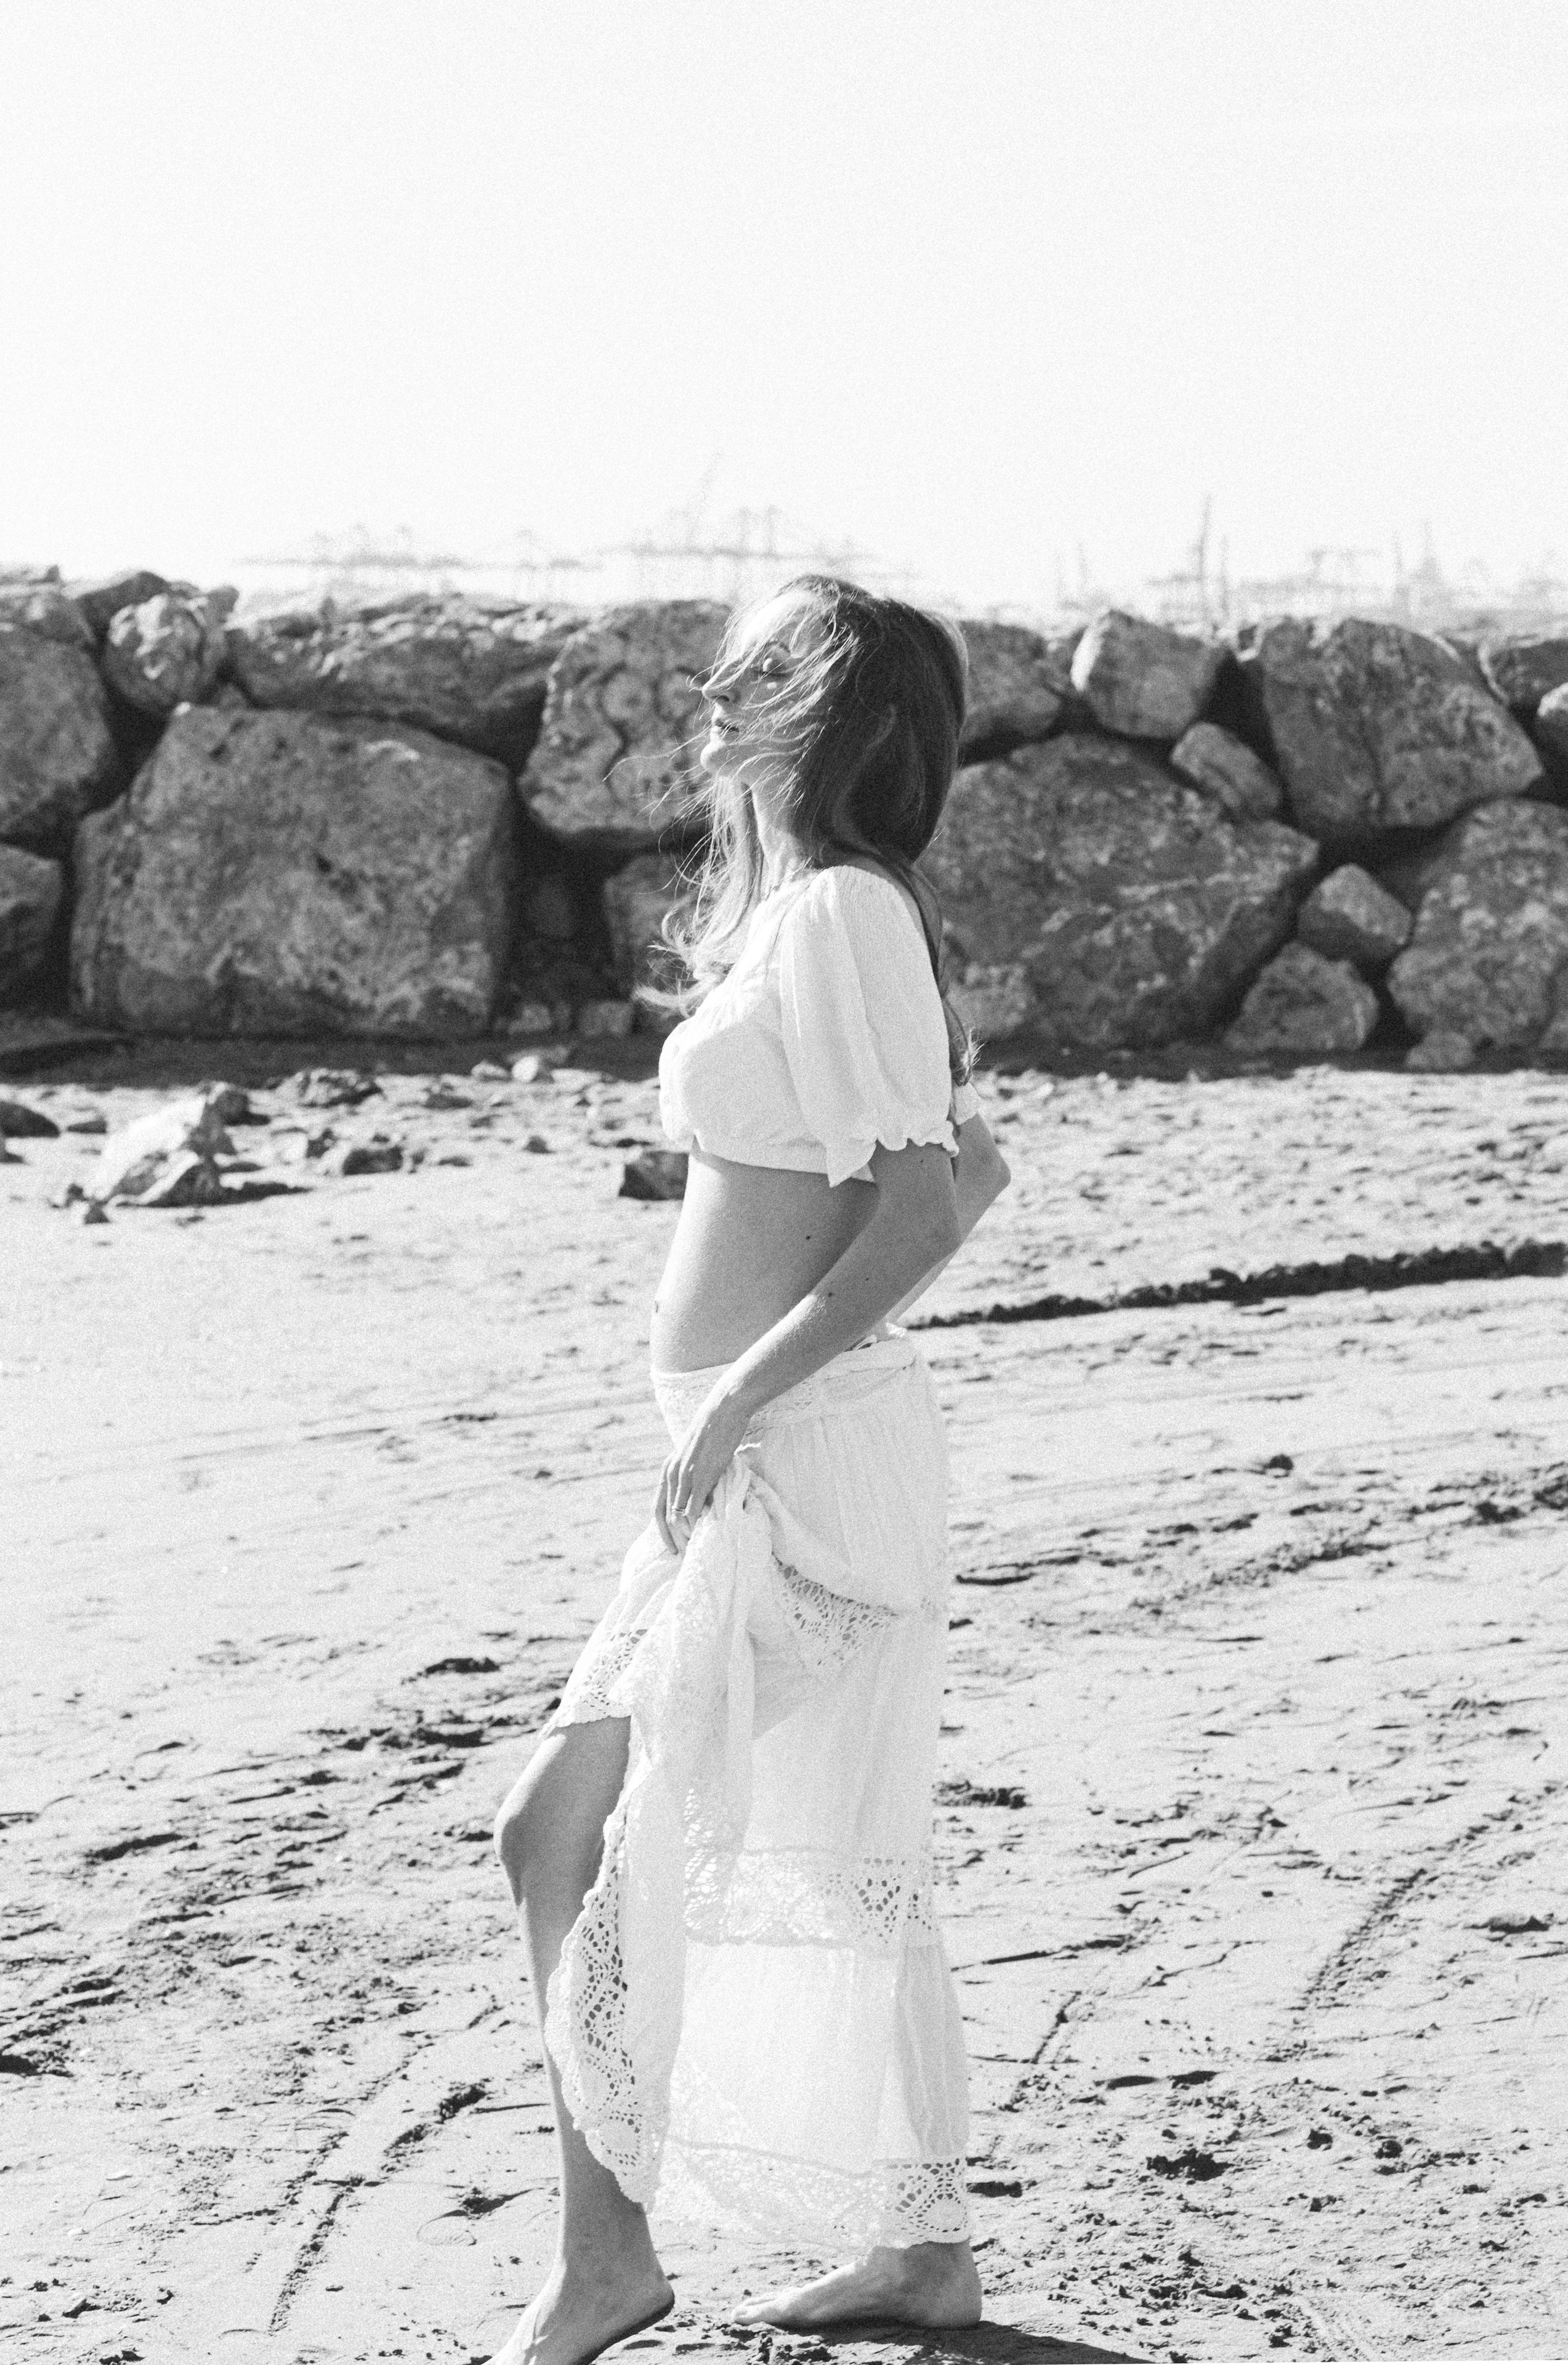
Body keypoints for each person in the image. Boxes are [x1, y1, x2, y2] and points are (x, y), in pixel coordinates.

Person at [490, 575, 1012, 2365]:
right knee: (841, 1848)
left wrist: (737, 1394)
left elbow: (927, 1199)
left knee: (566, 1829)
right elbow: (974, 1165)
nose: (712, 700)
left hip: (800, 1465)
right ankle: (921, 2252)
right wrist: (732, 1395)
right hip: (770, 1455)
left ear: (824, 711)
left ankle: (604, 2262)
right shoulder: (814, 914)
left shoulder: (847, 911)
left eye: (751, 677)